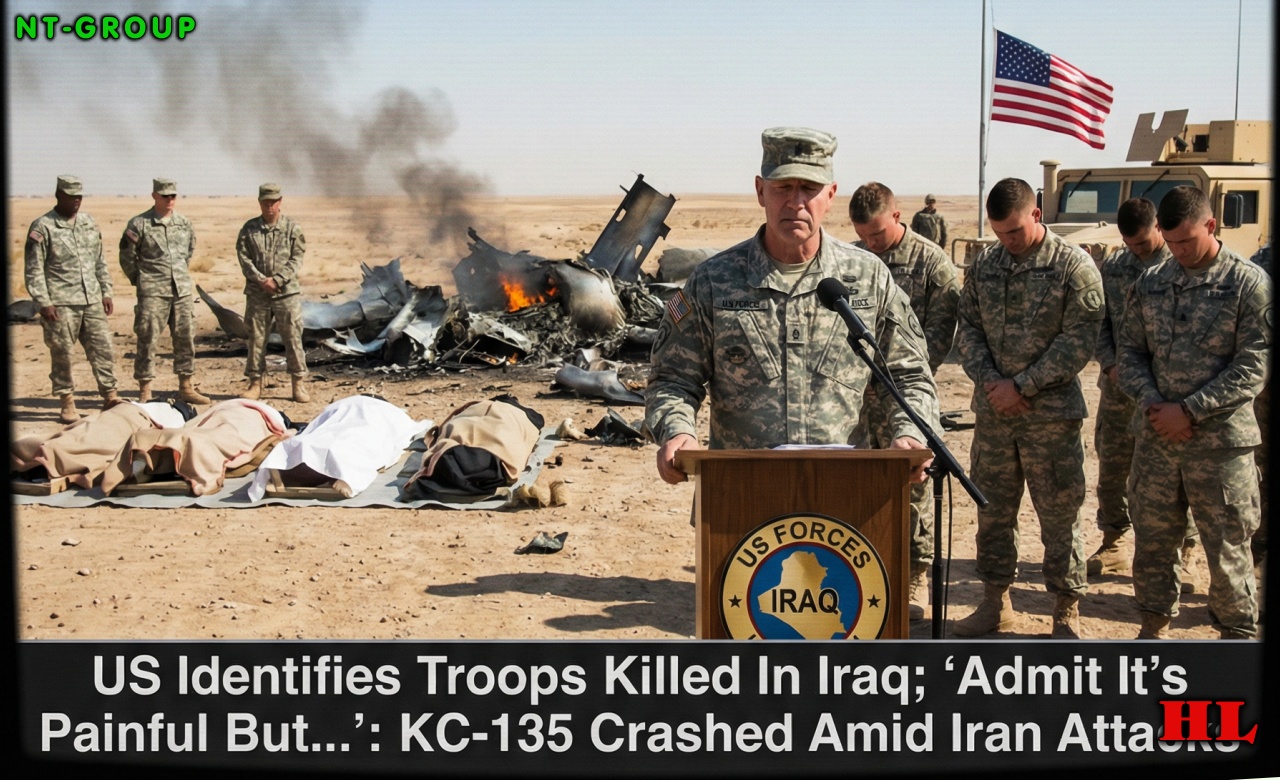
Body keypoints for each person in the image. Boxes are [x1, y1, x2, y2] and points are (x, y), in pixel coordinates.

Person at [644, 127, 940, 489]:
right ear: (760, 191)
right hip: (741, 493)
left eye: (809, 189)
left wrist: (910, 432)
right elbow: (672, 377)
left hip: (845, 491)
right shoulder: (713, 281)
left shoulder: (868, 278)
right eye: (783, 187)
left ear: (830, 195)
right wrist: (677, 430)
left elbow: (909, 375)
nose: (796, 202)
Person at [952, 177, 1104, 639]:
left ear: (1036, 214)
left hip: (1050, 417)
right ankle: (995, 602)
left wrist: (1022, 385)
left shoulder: (1073, 266)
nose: (1008, 241)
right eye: (1000, 233)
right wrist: (992, 382)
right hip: (995, 415)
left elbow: (1079, 341)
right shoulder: (986, 265)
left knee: (1060, 514)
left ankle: (1066, 611)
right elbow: (968, 328)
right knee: (993, 511)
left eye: (1015, 231)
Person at [1118, 186, 1270, 640]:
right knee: (1153, 544)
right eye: (1171, 242)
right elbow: (1130, 352)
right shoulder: (1151, 282)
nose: (1179, 251)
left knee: (1227, 551)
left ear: (1211, 225)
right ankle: (1153, 632)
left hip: (1220, 448)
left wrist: (1190, 411)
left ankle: (1235, 643)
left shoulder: (1248, 284)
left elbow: (1255, 364)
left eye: (1187, 240)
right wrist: (1154, 405)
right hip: (1157, 441)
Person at [848, 181, 960, 621]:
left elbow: (939, 336)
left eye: (877, 234)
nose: (871, 243)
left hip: (906, 398)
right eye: (863, 235)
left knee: (914, 488)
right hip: (860, 399)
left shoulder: (932, 263)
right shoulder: (853, 260)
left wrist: (897, 378)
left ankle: (914, 576)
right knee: (861, 486)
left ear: (897, 216)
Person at [1088, 198, 1198, 589]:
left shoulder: (1183, 265)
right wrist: (1110, 363)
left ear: (1158, 228)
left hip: (1168, 394)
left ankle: (1184, 552)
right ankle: (1113, 542)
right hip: (1120, 390)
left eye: (1143, 242)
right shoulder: (1115, 267)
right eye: (1129, 243)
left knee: (1175, 474)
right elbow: (1098, 322)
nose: (1136, 250)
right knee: (1113, 467)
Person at [24, 175, 120, 424]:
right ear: (59, 195)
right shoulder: (42, 227)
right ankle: (67, 401)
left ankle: (110, 396)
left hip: (92, 300)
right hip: (60, 303)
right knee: (63, 354)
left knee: (104, 349)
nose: (76, 201)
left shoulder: (88, 223)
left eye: (79, 196)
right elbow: (34, 270)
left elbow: (99, 261)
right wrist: (44, 302)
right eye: (71, 196)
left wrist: (106, 291)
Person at [119, 178, 211, 406]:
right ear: (154, 196)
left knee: (185, 338)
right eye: (165, 196)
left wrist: (177, 275)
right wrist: (142, 280)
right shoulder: (139, 224)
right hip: (153, 293)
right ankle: (145, 389)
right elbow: (127, 257)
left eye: (173, 196)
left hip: (181, 291)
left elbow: (188, 253)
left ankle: (186, 386)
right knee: (147, 339)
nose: (170, 200)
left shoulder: (184, 224)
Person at [236, 182, 309, 402]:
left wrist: (277, 280)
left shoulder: (292, 228)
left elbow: (297, 258)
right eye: (265, 202)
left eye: (273, 202)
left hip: (286, 293)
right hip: (258, 293)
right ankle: (254, 383)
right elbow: (244, 258)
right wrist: (261, 280)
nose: (269, 206)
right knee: (256, 339)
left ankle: (298, 384)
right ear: (260, 202)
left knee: (293, 337)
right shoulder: (249, 229)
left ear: (280, 202)